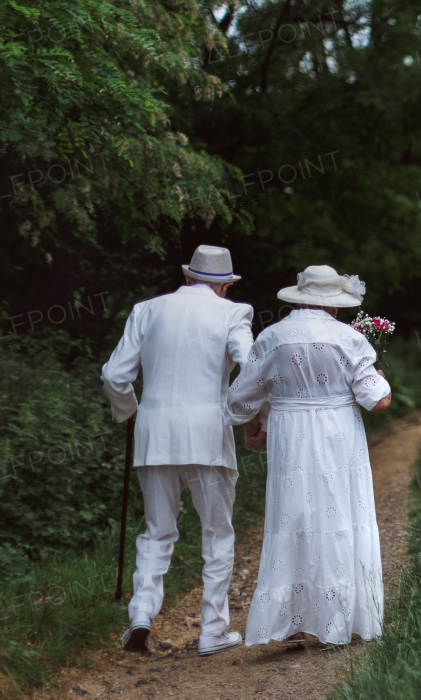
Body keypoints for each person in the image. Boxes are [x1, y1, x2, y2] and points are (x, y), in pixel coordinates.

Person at [102, 245, 256, 656]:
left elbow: (115, 375)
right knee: (217, 533)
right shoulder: (233, 313)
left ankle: (141, 612)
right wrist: (245, 415)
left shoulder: (147, 309)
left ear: (188, 277)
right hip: (208, 436)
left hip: (154, 436)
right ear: (224, 286)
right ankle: (213, 631)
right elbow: (250, 367)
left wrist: (133, 413)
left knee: (157, 532)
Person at [227, 264, 391, 647]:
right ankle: (341, 616)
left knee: (295, 515)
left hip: (290, 435)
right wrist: (382, 379)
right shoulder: (347, 338)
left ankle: (293, 619)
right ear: (333, 304)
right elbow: (377, 401)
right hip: (338, 433)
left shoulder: (271, 337)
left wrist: (255, 427)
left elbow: (239, 400)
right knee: (340, 513)